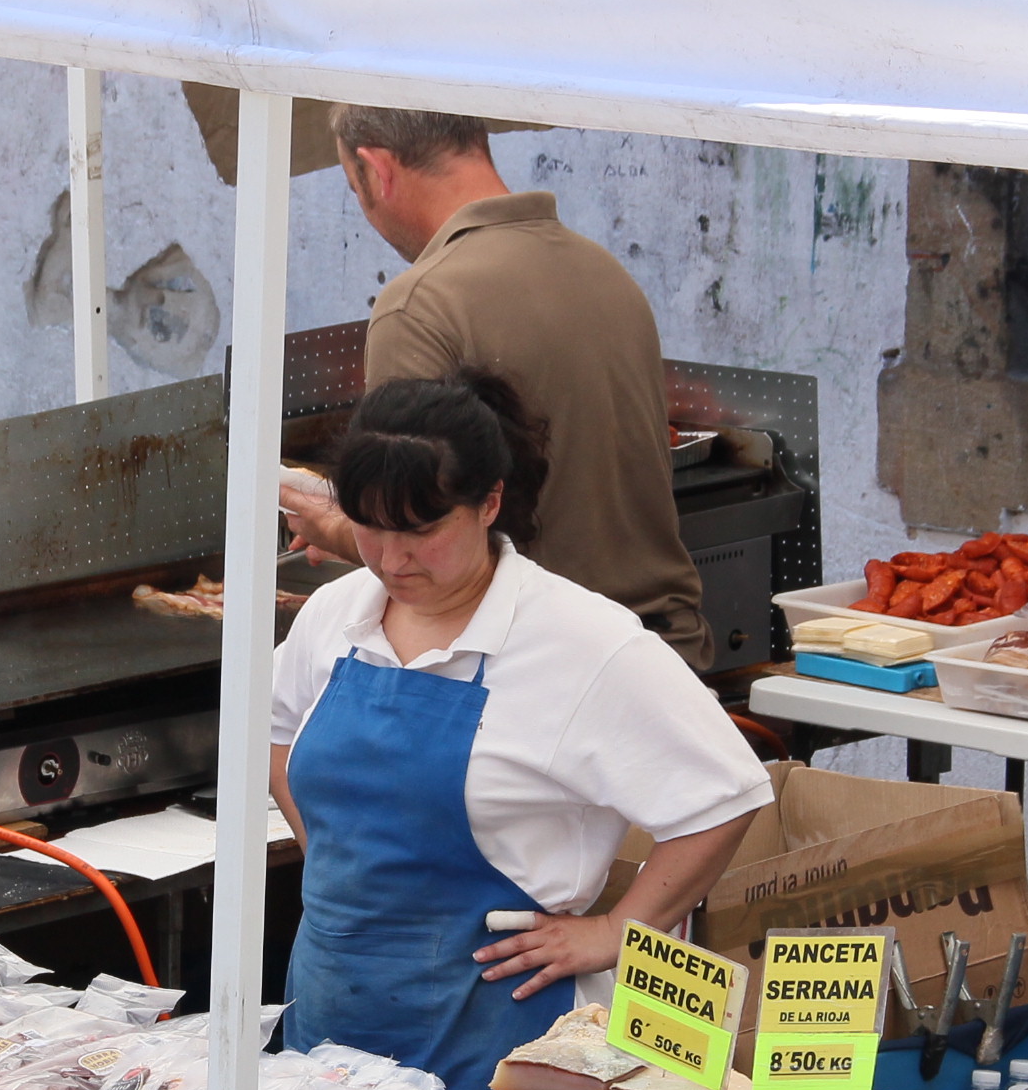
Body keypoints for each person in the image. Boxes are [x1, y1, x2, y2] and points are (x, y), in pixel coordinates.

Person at [268, 371, 770, 1090]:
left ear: (489, 503)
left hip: (499, 1038)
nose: (393, 559)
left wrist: (617, 931)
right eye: (371, 527)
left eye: (422, 530)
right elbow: (278, 733)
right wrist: (337, 860)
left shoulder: (583, 642)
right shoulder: (335, 614)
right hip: (332, 1016)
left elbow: (725, 796)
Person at [287, 104, 712, 671]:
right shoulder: (606, 273)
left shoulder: (419, 305)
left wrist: (336, 526)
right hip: (665, 654)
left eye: (353, 186)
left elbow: (421, 544)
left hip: (544, 672)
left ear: (378, 169)